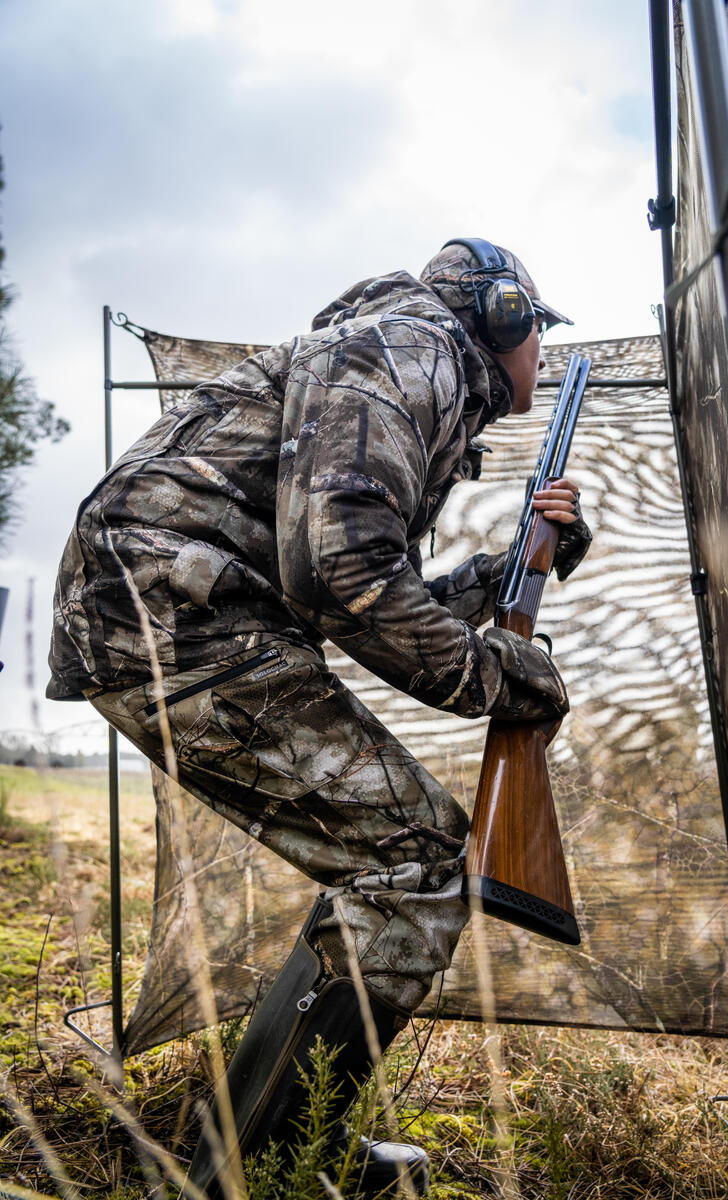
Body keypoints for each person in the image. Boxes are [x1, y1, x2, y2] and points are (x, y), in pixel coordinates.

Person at [47, 237, 591, 1197]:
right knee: (416, 859)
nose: (540, 358)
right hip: (178, 613)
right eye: (536, 332)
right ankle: (255, 1166)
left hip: (173, 604)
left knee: (386, 857)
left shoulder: (393, 356)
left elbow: (349, 573)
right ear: (501, 317)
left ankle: (247, 1139)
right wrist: (500, 681)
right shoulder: (409, 351)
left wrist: (512, 577)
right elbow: (341, 576)